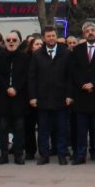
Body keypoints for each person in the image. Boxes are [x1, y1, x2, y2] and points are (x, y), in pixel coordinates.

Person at [68, 22, 95, 166]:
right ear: (83, 34)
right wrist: (83, 84)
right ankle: (80, 154)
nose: (90, 33)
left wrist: (94, 83)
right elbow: (73, 71)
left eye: (93, 30)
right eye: (87, 31)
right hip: (81, 95)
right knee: (81, 128)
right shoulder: (77, 50)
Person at [29, 26, 72, 165]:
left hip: (61, 97)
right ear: (43, 38)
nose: (51, 38)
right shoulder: (37, 55)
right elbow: (32, 77)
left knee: (62, 128)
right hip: (43, 97)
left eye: (53, 35)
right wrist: (33, 96)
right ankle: (44, 155)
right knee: (43, 129)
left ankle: (61, 154)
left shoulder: (65, 53)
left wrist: (69, 95)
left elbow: (70, 76)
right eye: (48, 36)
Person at [0, 31, 28, 165]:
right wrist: (7, 87)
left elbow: (26, 76)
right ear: (4, 42)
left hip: (19, 97)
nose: (11, 42)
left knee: (19, 127)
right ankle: (4, 155)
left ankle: (18, 154)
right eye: (8, 40)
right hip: (3, 97)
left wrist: (16, 88)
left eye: (14, 40)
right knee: (3, 128)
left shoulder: (24, 57)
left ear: (19, 42)